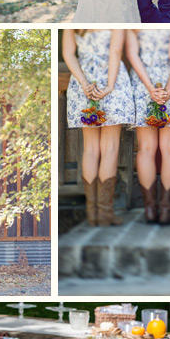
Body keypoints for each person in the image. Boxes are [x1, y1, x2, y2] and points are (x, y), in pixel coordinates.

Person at [63, 29, 134, 226]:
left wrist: (84, 83)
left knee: (91, 149)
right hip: (111, 78)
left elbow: (69, 54)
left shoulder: (74, 27)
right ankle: (105, 213)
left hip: (84, 80)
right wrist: (110, 86)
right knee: (110, 147)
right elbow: (115, 51)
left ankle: (93, 213)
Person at [126, 30, 170, 224]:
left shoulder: (135, 26)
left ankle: (150, 209)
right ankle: (166, 209)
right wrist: (168, 87)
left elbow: (133, 54)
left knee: (145, 149)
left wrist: (150, 88)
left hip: (143, 83)